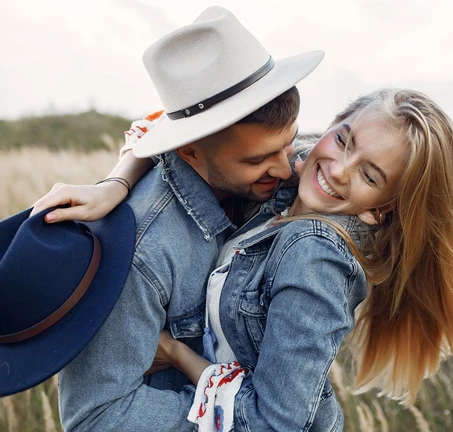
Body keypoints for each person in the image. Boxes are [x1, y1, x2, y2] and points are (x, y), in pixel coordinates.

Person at [35, 89, 453, 431]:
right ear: (333, 125)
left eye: (369, 175)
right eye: (344, 139)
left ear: (380, 210)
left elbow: (276, 425)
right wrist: (117, 183)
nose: (340, 169)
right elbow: (165, 128)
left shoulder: (314, 258)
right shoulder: (299, 173)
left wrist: (175, 352)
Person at [31, 5, 324, 431]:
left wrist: (118, 179)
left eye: (289, 143)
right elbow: (96, 417)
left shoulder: (285, 170)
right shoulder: (142, 253)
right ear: (188, 150)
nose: (285, 170)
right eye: (257, 160)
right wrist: (235, 420)